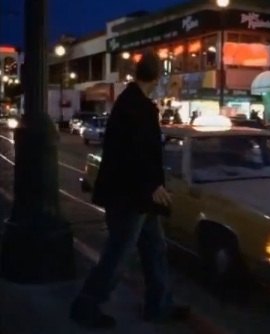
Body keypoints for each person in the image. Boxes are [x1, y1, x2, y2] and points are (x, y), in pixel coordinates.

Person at [69, 52, 189, 329]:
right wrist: (152, 186)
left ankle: (159, 304)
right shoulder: (138, 107)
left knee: (154, 248)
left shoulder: (131, 102)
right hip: (130, 196)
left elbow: (133, 152)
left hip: (135, 194)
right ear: (158, 77)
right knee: (119, 253)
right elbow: (134, 153)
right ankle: (86, 305)